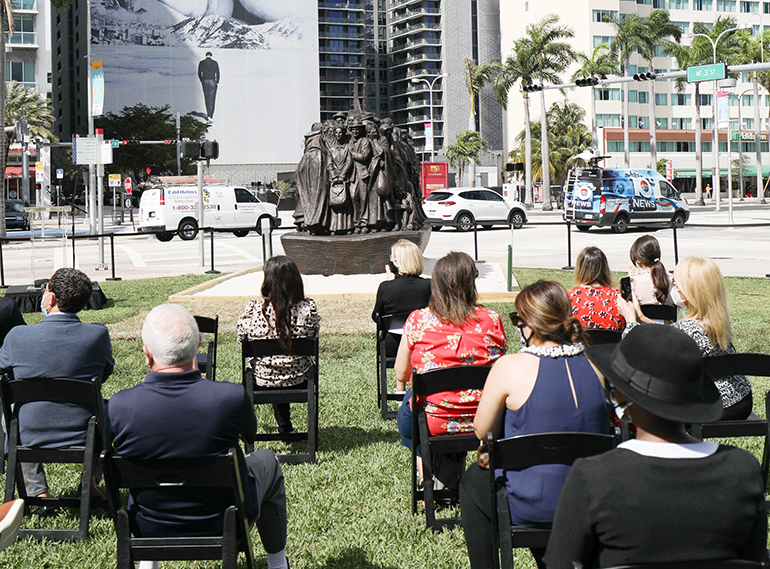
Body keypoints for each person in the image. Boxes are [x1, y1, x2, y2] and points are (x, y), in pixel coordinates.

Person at [543, 325, 767, 568]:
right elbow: (754, 559)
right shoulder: (743, 470)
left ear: (620, 397)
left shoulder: (593, 477)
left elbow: (560, 563)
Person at [107, 304, 289, 569]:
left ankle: (148, 563)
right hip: (225, 520)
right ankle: (277, 564)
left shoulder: (118, 406)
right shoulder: (230, 397)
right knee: (267, 461)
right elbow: (251, 433)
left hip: (147, 523)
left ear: (147, 354)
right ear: (198, 346)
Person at [459, 280, 610, 569]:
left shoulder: (509, 366)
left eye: (517, 320)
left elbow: (481, 430)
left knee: (472, 483)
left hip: (533, 502)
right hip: (591, 500)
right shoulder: (597, 365)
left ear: (530, 324)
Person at [0, 268, 114, 505]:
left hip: (28, 430)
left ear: (50, 298)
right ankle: (91, 479)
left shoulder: (17, 337)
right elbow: (103, 375)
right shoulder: (97, 335)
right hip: (85, 430)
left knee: (8, 414)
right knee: (110, 410)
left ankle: (36, 491)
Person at [394, 251, 506, 489]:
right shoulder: (492, 320)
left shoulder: (418, 320)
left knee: (408, 419)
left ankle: (426, 473)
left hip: (433, 420)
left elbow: (401, 374)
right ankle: (456, 472)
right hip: (484, 419)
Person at [619, 256, 752, 420]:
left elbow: (643, 354)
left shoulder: (685, 330)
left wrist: (630, 321)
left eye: (676, 284)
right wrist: (644, 319)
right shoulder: (719, 321)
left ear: (690, 291)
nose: (673, 289)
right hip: (741, 399)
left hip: (714, 406)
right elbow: (672, 337)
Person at [237, 256, 320, 434]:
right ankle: (286, 428)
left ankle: (275, 427)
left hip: (262, 380)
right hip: (300, 380)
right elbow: (313, 336)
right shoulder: (308, 309)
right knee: (283, 363)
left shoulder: (252, 311)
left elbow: (242, 344)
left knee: (271, 366)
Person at [371, 239, 431, 357]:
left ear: (397, 262)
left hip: (393, 344)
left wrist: (389, 284)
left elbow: (376, 317)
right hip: (423, 342)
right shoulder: (430, 285)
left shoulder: (386, 287)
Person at [568, 246, 625, 332]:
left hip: (581, 344)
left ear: (580, 270)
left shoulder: (568, 298)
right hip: (612, 345)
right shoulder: (620, 298)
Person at [626, 234, 673, 307]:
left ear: (638, 259)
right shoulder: (670, 279)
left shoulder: (634, 282)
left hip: (640, 318)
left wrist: (630, 278)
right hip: (667, 318)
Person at [198, 52, 220, 119]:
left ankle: (208, 113)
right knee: (212, 98)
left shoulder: (201, 62)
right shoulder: (215, 63)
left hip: (205, 81)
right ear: (211, 56)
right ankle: (211, 115)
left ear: (206, 55)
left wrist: (202, 80)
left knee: (206, 97)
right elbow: (218, 72)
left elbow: (199, 72)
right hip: (212, 81)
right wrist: (217, 81)